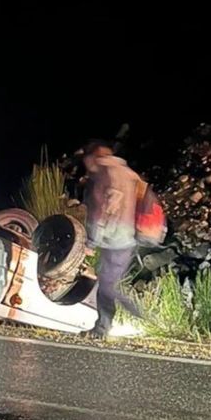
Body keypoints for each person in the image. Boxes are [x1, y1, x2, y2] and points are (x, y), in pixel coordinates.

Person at [80, 138, 143, 338]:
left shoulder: (107, 174)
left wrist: (92, 241)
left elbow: (106, 209)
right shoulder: (126, 173)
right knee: (105, 283)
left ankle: (137, 312)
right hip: (124, 236)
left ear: (93, 157)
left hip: (115, 238)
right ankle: (103, 327)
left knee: (107, 285)